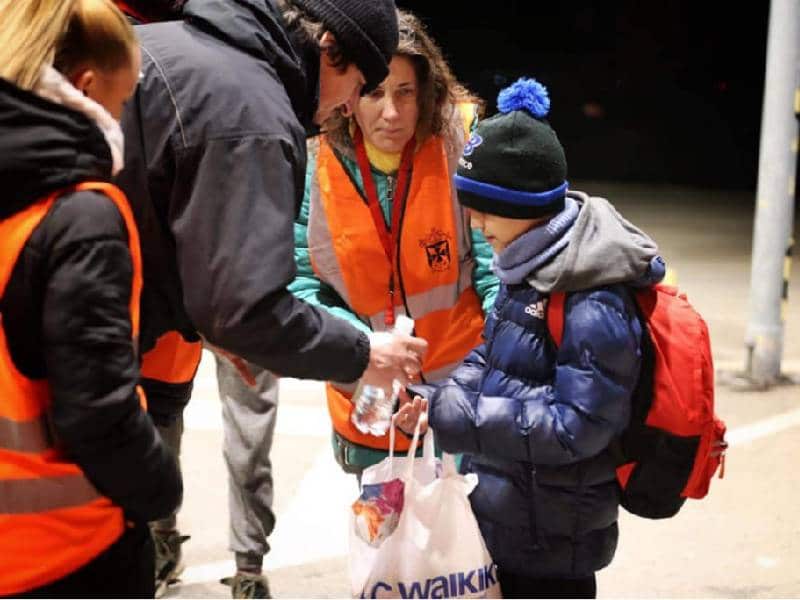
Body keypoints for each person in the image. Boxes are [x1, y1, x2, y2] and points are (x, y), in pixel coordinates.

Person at [115, 1, 427, 597]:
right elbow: (246, 309)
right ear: (328, 47)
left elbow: (159, 221)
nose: (344, 107)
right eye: (357, 85)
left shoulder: (179, 47)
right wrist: (365, 352)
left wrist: (206, 320)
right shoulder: (248, 109)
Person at [406, 77, 667, 599]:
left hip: (554, 540)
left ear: (526, 206)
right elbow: (493, 352)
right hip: (510, 515)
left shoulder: (592, 294)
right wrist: (436, 398)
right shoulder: (529, 263)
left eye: (484, 208)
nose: (475, 224)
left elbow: (578, 426)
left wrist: (459, 416)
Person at [0, 0, 181, 597]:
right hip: (68, 551)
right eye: (124, 101)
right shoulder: (81, 215)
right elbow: (98, 416)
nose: (123, 119)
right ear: (85, 87)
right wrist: (160, 489)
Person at [289, 8, 499, 477]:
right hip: (369, 396)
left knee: (469, 544)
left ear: (427, 92)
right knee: (382, 540)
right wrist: (366, 346)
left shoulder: (460, 144)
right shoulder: (313, 161)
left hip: (462, 392)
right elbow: (301, 284)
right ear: (348, 95)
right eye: (376, 92)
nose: (391, 112)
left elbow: (497, 268)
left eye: (405, 92)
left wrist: (486, 371)